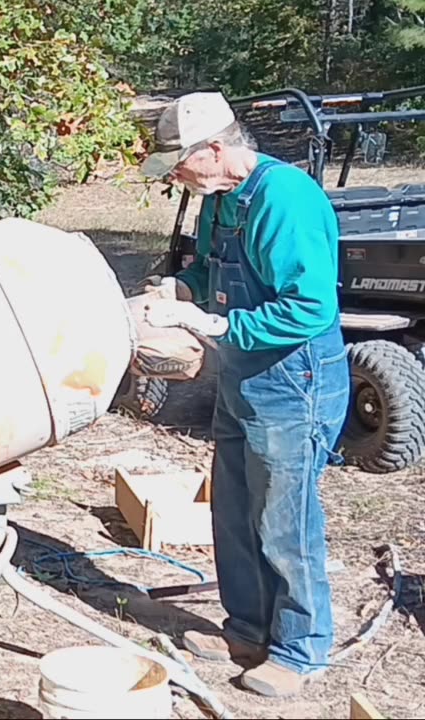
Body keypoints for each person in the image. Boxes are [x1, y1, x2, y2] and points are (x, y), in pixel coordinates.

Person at [138, 91, 349, 698]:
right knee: (232, 508)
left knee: (284, 519)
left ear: (215, 148)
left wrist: (220, 327)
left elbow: (310, 307)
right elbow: (212, 272)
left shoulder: (287, 199)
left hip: (294, 380)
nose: (175, 175)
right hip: (242, 377)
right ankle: (247, 628)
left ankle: (300, 649)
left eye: (181, 162)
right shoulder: (218, 199)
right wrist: (179, 289)